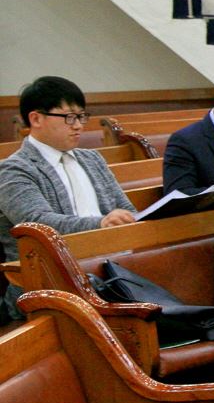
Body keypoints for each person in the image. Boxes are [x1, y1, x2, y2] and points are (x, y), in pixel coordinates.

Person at [0, 76, 136, 321]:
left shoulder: (92, 159)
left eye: (81, 116)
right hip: (48, 282)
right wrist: (101, 224)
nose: (78, 126)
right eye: (69, 117)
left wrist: (129, 220)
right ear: (36, 119)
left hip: (111, 270)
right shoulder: (13, 170)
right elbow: (38, 223)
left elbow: (126, 208)